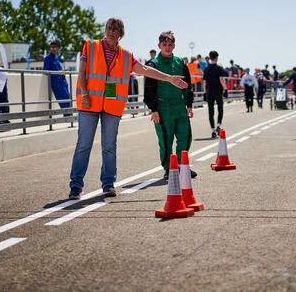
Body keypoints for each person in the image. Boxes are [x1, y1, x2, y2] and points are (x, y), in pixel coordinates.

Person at [69, 18, 187, 199]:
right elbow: (82, 71)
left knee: (109, 146)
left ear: (121, 34)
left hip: (111, 105)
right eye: (109, 28)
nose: (111, 32)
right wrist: (84, 94)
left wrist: (170, 78)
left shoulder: (126, 55)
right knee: (83, 145)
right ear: (105, 29)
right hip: (89, 103)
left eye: (115, 30)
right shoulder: (91, 47)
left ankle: (108, 184)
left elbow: (146, 70)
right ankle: (76, 187)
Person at [144, 31, 196, 181]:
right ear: (159, 45)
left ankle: (182, 165)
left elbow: (188, 86)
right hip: (162, 107)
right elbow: (148, 89)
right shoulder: (153, 65)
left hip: (179, 106)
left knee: (185, 136)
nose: (167, 47)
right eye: (164, 45)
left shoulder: (180, 63)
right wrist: (153, 109)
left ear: (174, 45)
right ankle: (168, 168)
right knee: (166, 140)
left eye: (170, 45)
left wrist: (189, 105)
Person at [203, 50, 227, 139]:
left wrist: (204, 92)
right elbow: (221, 80)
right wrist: (226, 89)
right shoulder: (219, 68)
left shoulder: (206, 68)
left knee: (211, 111)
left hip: (209, 91)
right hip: (218, 91)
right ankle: (218, 125)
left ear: (210, 57)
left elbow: (204, 82)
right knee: (220, 109)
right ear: (216, 57)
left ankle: (213, 130)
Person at [43, 41, 71, 114]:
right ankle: (67, 117)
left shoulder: (56, 57)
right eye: (51, 47)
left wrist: (62, 72)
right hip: (56, 83)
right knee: (63, 101)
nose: (53, 49)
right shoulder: (47, 58)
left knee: (68, 99)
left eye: (55, 47)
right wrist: (58, 73)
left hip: (63, 81)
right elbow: (46, 72)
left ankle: (69, 117)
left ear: (58, 48)